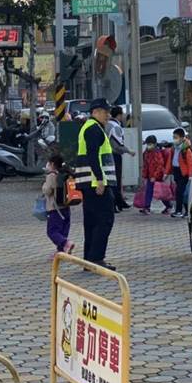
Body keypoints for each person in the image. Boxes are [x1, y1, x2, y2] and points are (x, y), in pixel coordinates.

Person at [74, 98, 117, 270]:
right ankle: (96, 258)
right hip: (95, 183)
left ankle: (89, 260)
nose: (108, 115)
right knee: (105, 219)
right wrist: (100, 180)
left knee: (91, 221)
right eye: (105, 112)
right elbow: (93, 156)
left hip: (88, 183)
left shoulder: (90, 127)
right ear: (96, 112)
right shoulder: (94, 129)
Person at [42, 154, 75, 256]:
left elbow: (47, 191)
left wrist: (44, 185)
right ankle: (61, 251)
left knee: (52, 231)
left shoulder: (52, 175)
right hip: (66, 206)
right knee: (63, 230)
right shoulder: (65, 173)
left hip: (55, 208)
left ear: (52, 164)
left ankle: (66, 243)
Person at [105, 106, 135, 212]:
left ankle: (119, 202)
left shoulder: (107, 124)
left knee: (111, 180)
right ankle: (115, 204)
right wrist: (129, 151)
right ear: (119, 115)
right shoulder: (115, 127)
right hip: (114, 156)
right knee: (115, 180)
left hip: (106, 156)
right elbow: (117, 146)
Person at [165, 128, 192, 218]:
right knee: (179, 192)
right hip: (176, 172)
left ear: (182, 138)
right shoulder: (173, 149)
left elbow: (190, 163)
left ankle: (183, 211)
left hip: (184, 174)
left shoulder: (186, 150)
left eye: (176, 137)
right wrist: (166, 172)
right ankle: (180, 211)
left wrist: (190, 176)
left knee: (182, 193)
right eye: (173, 137)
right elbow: (170, 161)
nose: (174, 139)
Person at [139, 135, 172, 215]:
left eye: (150, 144)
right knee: (149, 191)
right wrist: (145, 176)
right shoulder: (146, 153)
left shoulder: (157, 153)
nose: (148, 146)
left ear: (154, 144)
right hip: (150, 176)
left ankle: (168, 205)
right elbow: (145, 165)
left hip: (157, 176)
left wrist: (155, 176)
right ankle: (147, 207)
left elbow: (160, 165)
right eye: (147, 144)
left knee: (160, 193)